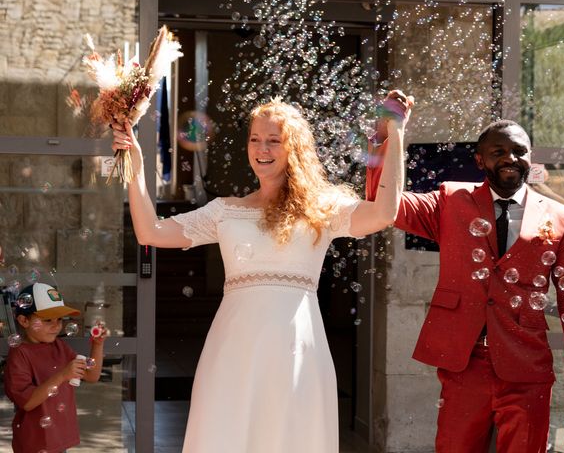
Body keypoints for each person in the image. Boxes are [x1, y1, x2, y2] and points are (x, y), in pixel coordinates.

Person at [110, 93, 413, 453]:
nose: (262, 148)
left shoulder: (322, 208)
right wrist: (136, 165)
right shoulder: (224, 211)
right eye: (255, 139)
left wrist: (396, 133)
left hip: (297, 352)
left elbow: (384, 213)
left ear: (294, 148)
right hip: (232, 352)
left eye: (274, 140)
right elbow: (151, 233)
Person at [367, 115, 564, 452]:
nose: (510, 158)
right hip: (465, 365)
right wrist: (385, 138)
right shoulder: (450, 201)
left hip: (527, 369)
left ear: (530, 158)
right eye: (498, 151)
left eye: (519, 151)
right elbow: (383, 203)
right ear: (480, 159)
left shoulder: (560, 218)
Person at [4, 282, 106, 453]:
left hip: (58, 438)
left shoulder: (59, 346)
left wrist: (97, 345)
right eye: (47, 320)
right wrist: (62, 375)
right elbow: (27, 403)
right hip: (33, 442)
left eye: (59, 319)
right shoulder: (20, 353)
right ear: (23, 320)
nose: (56, 325)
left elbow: (91, 375)